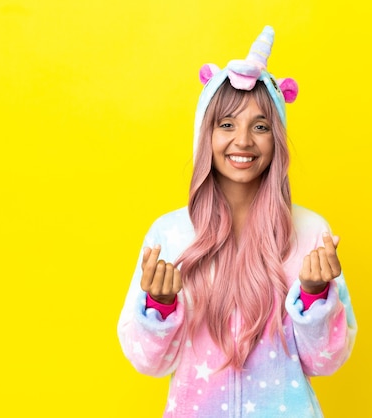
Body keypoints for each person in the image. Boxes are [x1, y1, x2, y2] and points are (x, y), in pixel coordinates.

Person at [118, 25, 357, 417]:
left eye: (260, 126)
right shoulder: (170, 236)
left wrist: (314, 296)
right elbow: (149, 363)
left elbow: (326, 362)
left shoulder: (312, 233)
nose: (242, 140)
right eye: (226, 124)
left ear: (276, 137)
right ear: (204, 135)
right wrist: (159, 307)